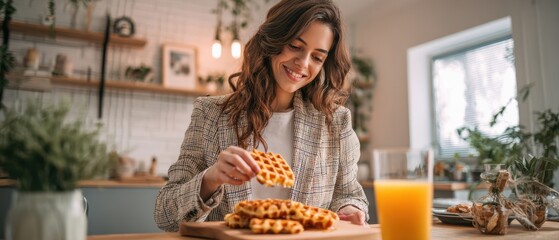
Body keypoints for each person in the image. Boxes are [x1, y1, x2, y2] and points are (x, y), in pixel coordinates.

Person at [154, 0, 369, 232]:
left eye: (317, 57)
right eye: (295, 46)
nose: (303, 63)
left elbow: (349, 194)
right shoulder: (211, 114)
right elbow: (165, 215)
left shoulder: (335, 122)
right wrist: (211, 178)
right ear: (272, 41)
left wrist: (349, 209)